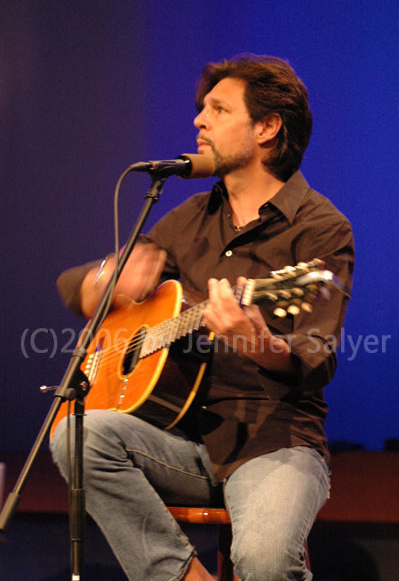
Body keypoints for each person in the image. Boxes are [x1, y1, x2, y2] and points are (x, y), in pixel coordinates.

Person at [51, 54, 354, 581]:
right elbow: (70, 283)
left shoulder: (321, 228)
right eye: (202, 109)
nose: (198, 120)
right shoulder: (186, 219)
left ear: (267, 127)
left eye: (218, 108)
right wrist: (104, 280)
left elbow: (316, 358)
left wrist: (257, 342)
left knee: (263, 561)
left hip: (273, 441)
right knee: (76, 432)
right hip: (180, 439)